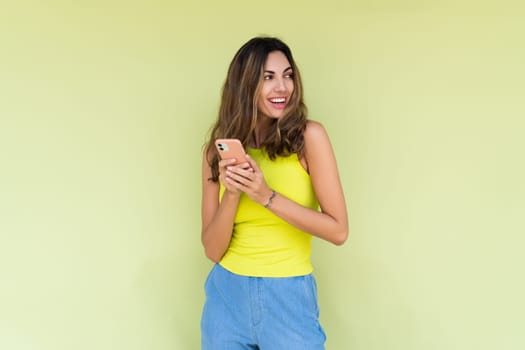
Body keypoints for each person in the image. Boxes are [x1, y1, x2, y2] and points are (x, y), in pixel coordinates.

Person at [200, 36, 348, 350]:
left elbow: (338, 230)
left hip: (288, 296)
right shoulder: (217, 153)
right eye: (268, 78)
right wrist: (234, 193)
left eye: (288, 75)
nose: (282, 87)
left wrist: (265, 194)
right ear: (245, 84)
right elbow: (213, 250)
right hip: (226, 297)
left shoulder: (309, 137)